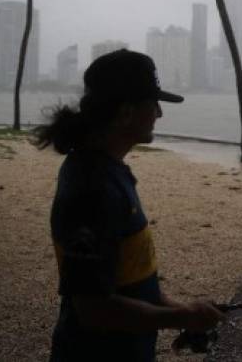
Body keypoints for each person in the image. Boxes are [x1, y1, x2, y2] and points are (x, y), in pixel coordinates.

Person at [33, 49, 223, 361]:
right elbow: (94, 308)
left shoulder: (108, 171)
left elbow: (132, 281)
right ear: (125, 113)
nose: (160, 114)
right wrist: (182, 318)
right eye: (154, 104)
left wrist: (183, 311)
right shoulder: (91, 189)